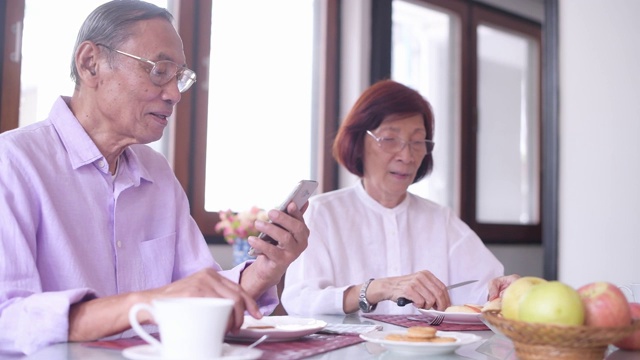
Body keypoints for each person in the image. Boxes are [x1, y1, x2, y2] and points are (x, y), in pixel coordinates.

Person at [0, 1, 308, 355]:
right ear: (90, 63)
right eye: (160, 70)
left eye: (179, 77)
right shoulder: (13, 163)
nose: (175, 94)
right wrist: (150, 301)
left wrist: (266, 269)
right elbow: (6, 318)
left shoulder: (157, 173)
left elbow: (196, 291)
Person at [281, 79, 518, 316]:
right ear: (358, 142)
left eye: (417, 142)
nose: (406, 155)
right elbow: (300, 301)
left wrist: (508, 290)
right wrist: (374, 289)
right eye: (389, 139)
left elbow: (485, 291)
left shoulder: (439, 219)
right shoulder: (323, 212)